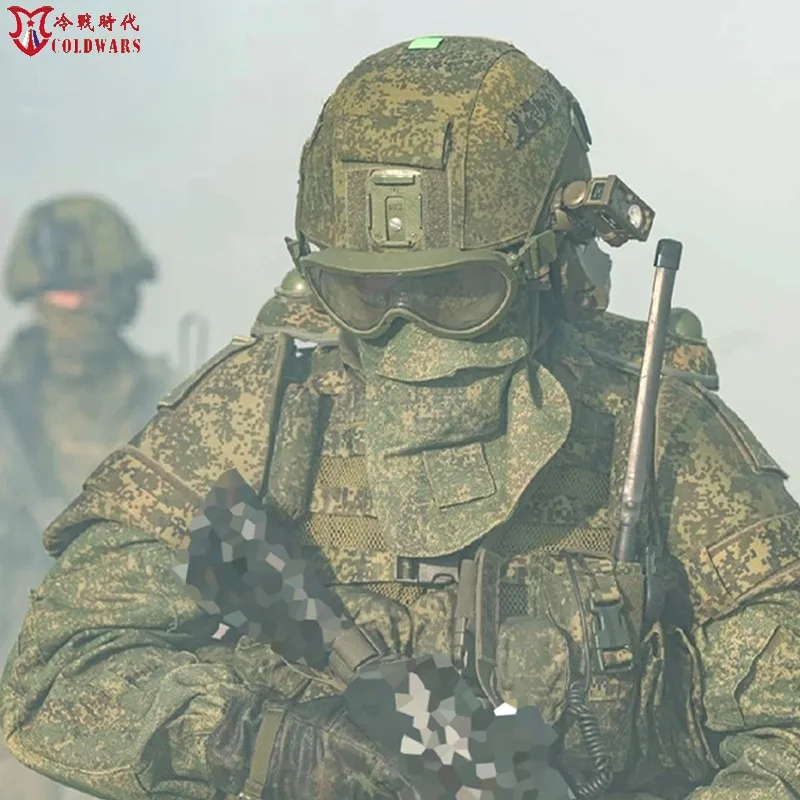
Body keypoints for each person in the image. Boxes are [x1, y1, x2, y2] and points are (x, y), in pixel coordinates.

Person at [2, 36, 799, 800]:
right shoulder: (263, 410)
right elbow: (55, 676)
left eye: (457, 291)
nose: (407, 330)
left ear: (547, 267)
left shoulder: (658, 432)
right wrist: (278, 751)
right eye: (369, 293)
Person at [0, 194, 176, 799]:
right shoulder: (7, 409)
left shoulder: (178, 407)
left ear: (122, 293)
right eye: (62, 292)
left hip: (140, 705)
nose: (75, 308)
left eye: (88, 289)